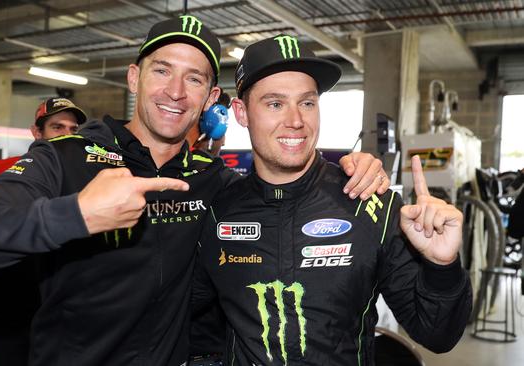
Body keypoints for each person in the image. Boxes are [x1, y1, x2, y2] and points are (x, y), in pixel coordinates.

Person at [0, 17, 389, 365]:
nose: (176, 91)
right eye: (162, 70)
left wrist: (351, 169)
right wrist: (73, 214)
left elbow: (283, 193)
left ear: (210, 99)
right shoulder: (69, 158)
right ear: (135, 78)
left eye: (195, 78)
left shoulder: (213, 180)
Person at [192, 35, 472, 365]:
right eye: (275, 104)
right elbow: (194, 325)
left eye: (307, 103)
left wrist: (441, 268)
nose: (296, 121)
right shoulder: (218, 213)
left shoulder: (370, 201)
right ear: (241, 113)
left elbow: (437, 335)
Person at [0, 97, 86, 366]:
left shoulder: (89, 174)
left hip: (65, 294)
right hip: (11, 291)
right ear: (36, 133)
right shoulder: (3, 169)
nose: (67, 135)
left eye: (73, 129)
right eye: (58, 127)